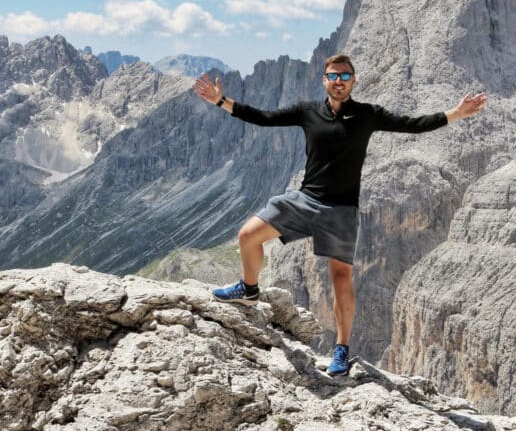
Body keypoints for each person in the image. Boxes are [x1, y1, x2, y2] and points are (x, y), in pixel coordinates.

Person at [193, 54, 487, 375]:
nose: (339, 82)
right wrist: (220, 100)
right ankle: (249, 289)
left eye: (345, 77)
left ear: (354, 81)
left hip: (341, 210)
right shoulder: (307, 111)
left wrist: (456, 113)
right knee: (248, 235)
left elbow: (412, 125)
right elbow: (263, 117)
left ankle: (341, 350)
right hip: (304, 200)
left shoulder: (367, 115)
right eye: (333, 76)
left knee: (341, 280)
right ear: (324, 80)